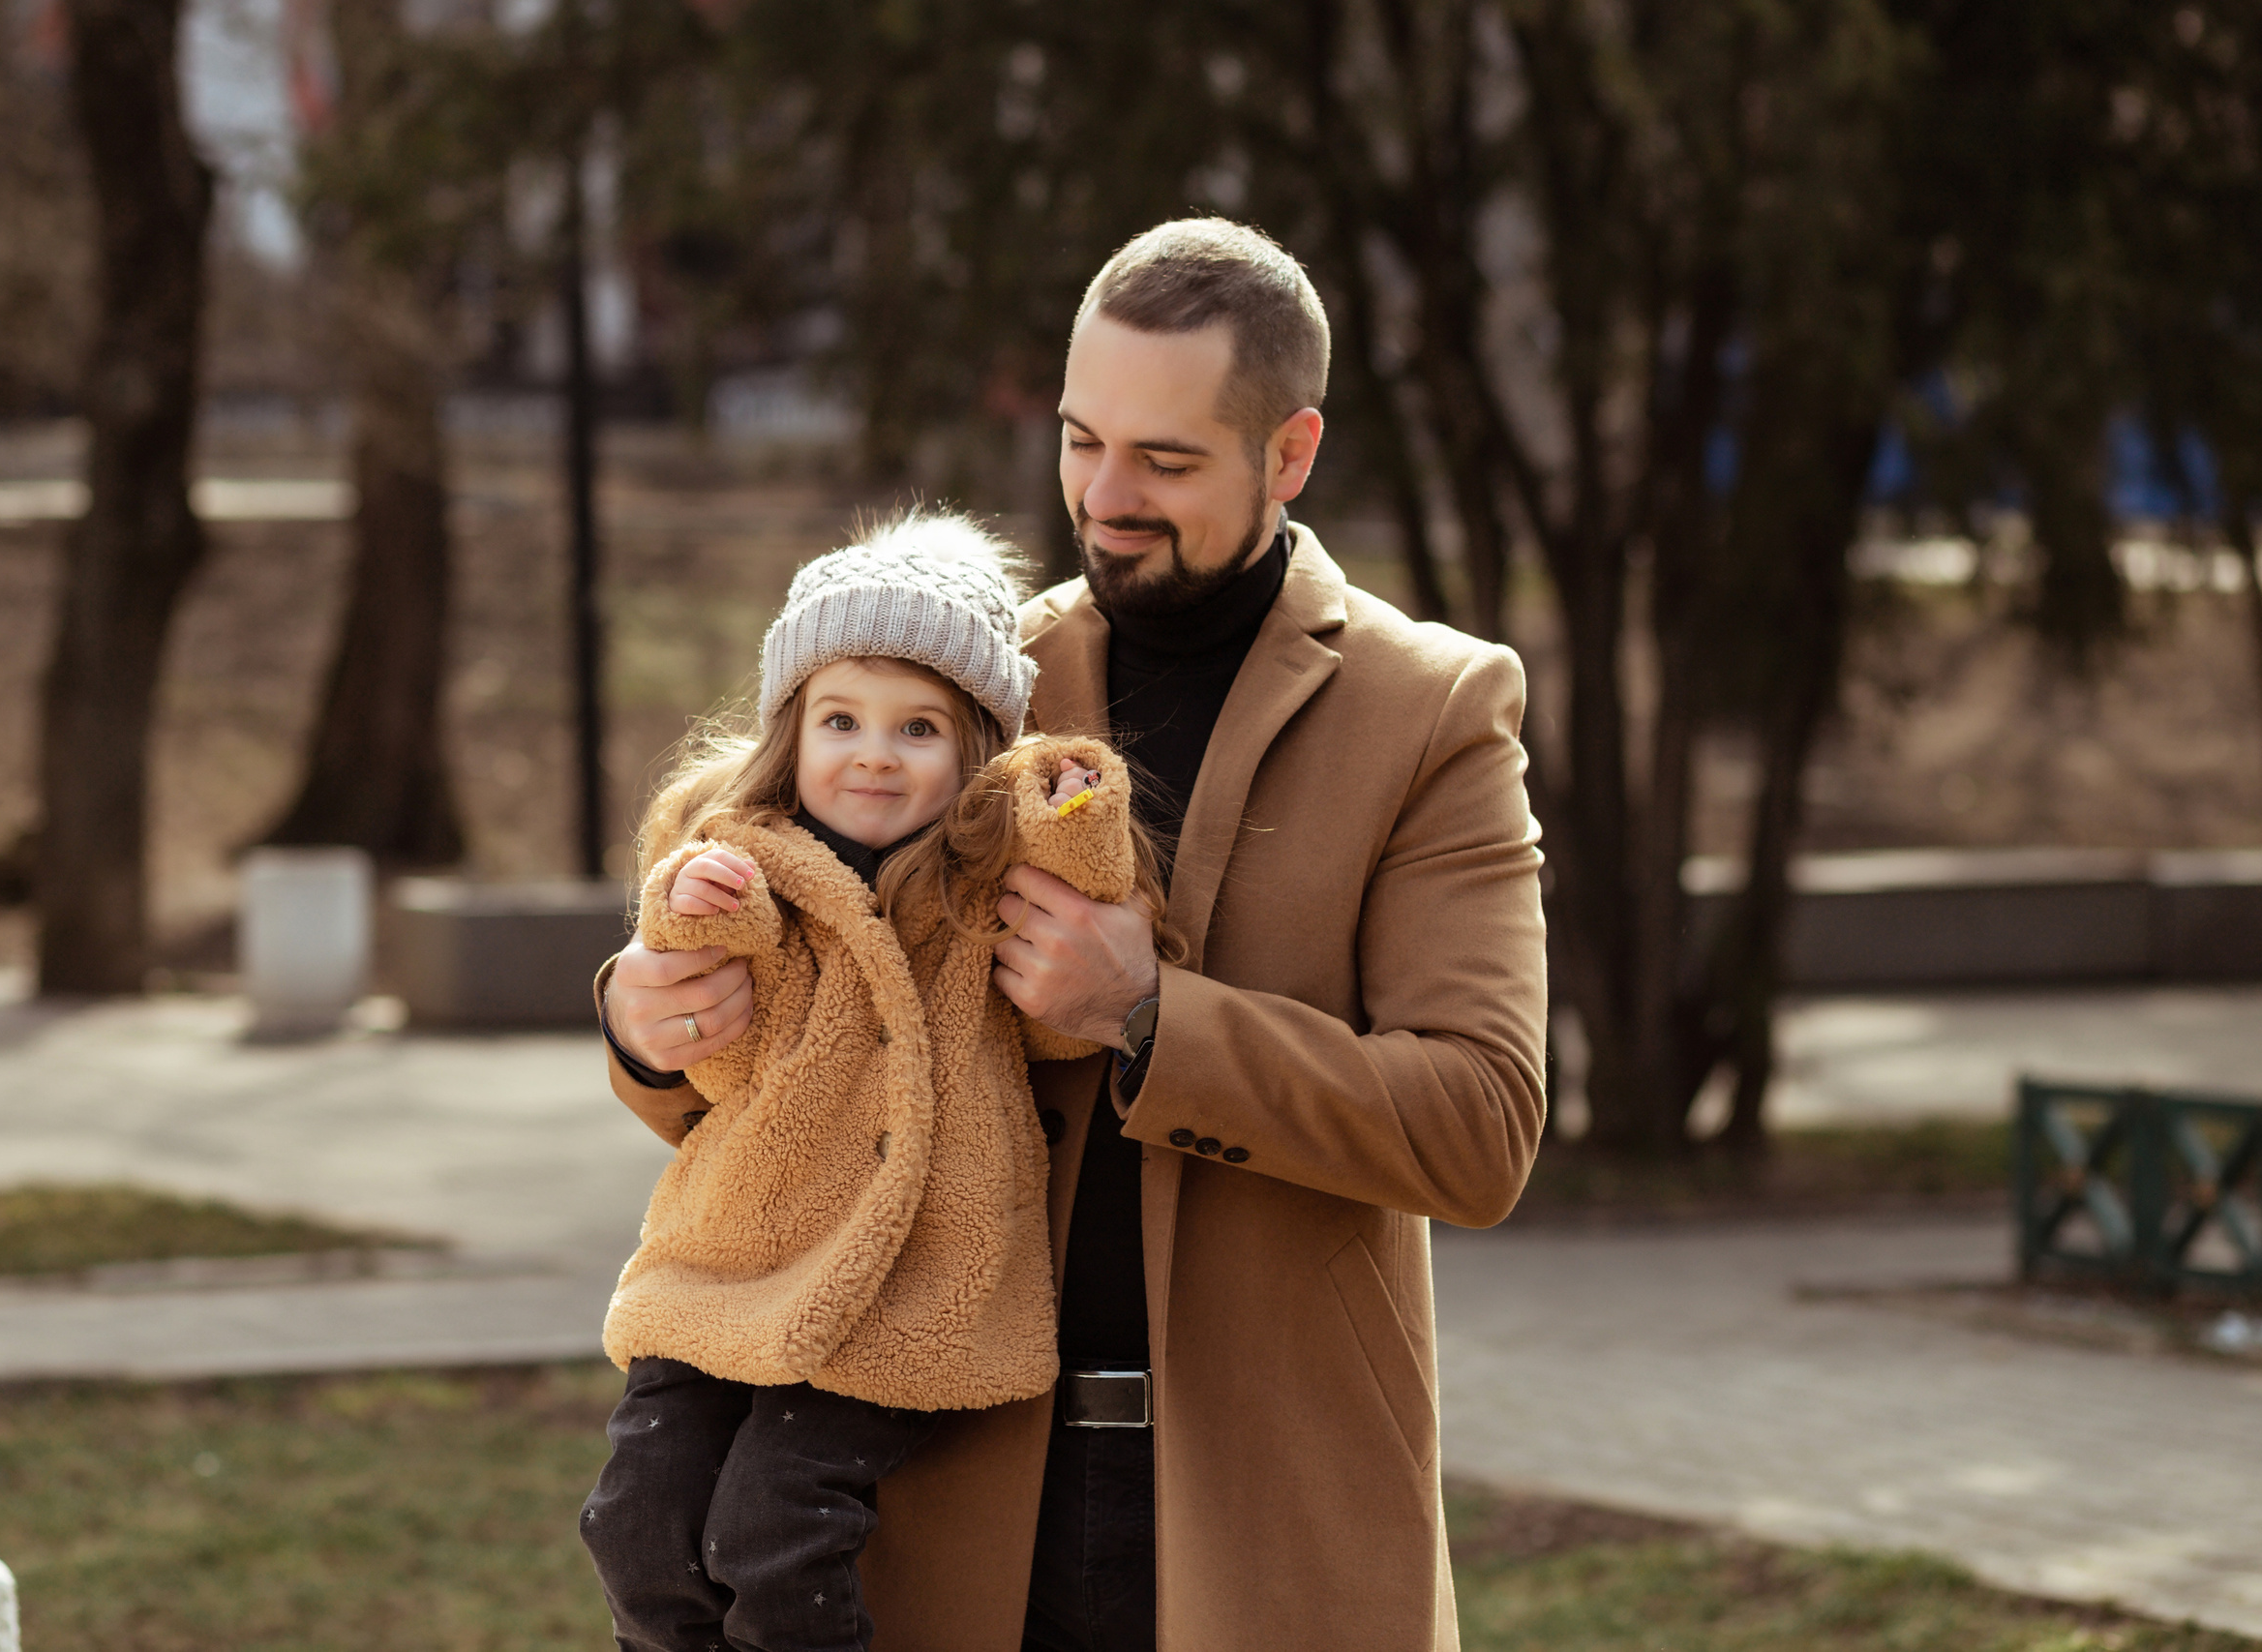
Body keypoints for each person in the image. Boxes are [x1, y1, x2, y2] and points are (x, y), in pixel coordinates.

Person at [601, 219, 1549, 1652]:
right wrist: (644, 1017)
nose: (1106, 498)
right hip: (947, 1477)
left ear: (1290, 454)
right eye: (1079, 439)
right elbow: (786, 930)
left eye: (1166, 461)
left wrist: (1151, 1014)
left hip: (1269, 1500)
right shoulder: (964, 675)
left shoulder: (1435, 709)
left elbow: (1481, 1125)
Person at [579, 509, 1175, 1652]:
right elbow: (716, 1040)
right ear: (789, 732)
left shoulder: (979, 888)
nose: (872, 754)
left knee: (772, 1533)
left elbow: (1064, 1025)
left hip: (905, 1284)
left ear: (976, 754)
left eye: (918, 729)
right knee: (636, 1526)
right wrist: (691, 909)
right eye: (839, 719)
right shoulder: (750, 862)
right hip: (732, 1255)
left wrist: (1073, 812)